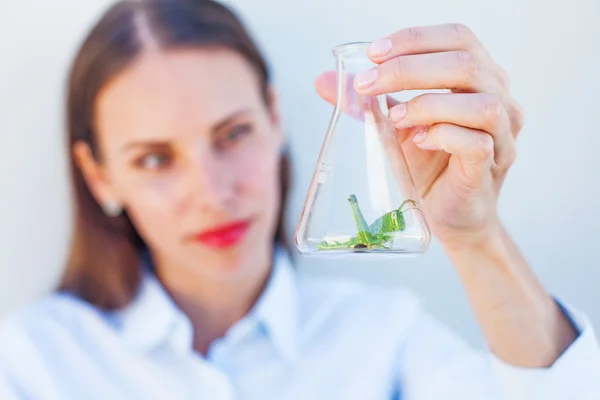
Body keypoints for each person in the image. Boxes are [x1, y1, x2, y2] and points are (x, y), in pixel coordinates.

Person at [1, 0, 598, 398]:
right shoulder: (32, 364)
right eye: (154, 159)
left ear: (275, 117)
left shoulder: (382, 338)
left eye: (233, 134)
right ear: (98, 175)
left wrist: (476, 237)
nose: (213, 193)